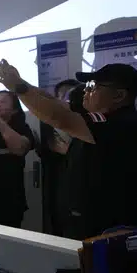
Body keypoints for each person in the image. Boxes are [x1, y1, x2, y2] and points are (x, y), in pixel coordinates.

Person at [0, 60, 137, 240]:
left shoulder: (121, 122)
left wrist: (18, 87)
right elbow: (55, 103)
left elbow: (59, 117)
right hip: (83, 220)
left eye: (93, 87)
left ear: (119, 95)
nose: (86, 91)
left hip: (103, 226)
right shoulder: (103, 119)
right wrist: (20, 82)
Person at [0, 90, 35, 228]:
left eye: (3, 102)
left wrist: (0, 123)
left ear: (14, 110)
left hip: (9, 200)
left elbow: (19, 149)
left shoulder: (22, 128)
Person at [38, 79, 81, 234]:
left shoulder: (88, 125)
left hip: (79, 188)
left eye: (70, 96)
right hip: (54, 181)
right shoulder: (46, 124)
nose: (65, 100)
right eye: (61, 96)